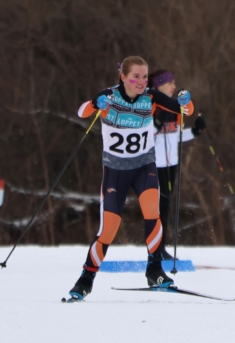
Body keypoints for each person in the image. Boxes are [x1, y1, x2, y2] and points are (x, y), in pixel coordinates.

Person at [66, 57, 192, 301]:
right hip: (115, 171)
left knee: (152, 212)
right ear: (123, 77)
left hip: (144, 166)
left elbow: (182, 110)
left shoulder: (152, 97)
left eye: (145, 77)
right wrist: (95, 103)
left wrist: (186, 101)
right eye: (136, 77)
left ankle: (155, 271)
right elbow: (82, 111)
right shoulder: (110, 96)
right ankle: (85, 280)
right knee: (108, 231)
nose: (141, 82)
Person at [150, 68, 206, 262]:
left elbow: (175, 136)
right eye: (169, 83)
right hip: (153, 165)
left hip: (171, 164)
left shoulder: (175, 108)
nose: (174, 86)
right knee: (156, 209)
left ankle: (160, 248)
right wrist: (156, 125)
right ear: (158, 86)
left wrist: (195, 132)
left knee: (165, 207)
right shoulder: (149, 104)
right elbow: (142, 137)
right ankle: (155, 249)